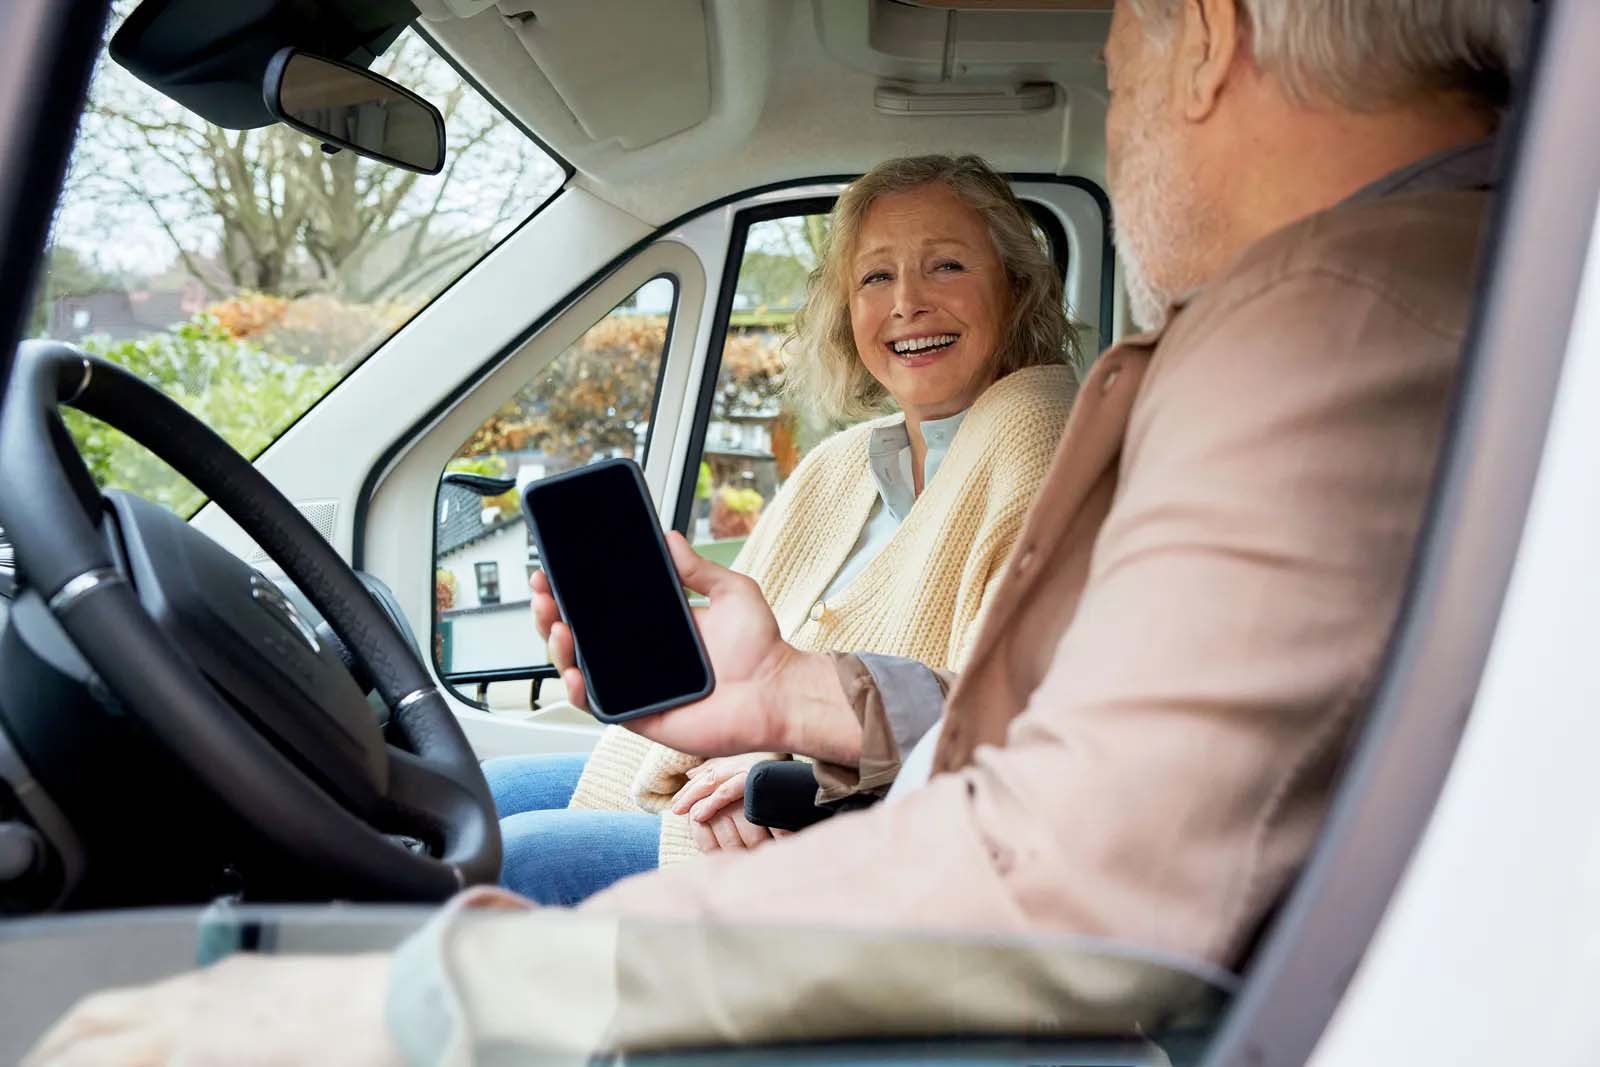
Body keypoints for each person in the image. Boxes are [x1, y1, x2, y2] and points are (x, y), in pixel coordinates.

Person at [26, 0, 1528, 1061]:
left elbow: (1074, 865)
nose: (1116, 79)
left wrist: (432, 1000)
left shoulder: (1332, 320)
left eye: (1121, 39)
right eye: (873, 279)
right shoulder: (1378, 292)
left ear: (1206, 31)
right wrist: (801, 695)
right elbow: (1113, 738)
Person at [482, 153, 1080, 904]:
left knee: (513, 857)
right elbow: (744, 661)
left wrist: (800, 767)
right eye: (876, 277)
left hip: (827, 831)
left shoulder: (1039, 435)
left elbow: (995, 723)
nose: (907, 304)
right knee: (483, 792)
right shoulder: (840, 464)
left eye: (947, 266)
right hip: (711, 776)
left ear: (1017, 287)